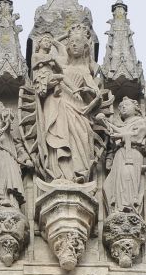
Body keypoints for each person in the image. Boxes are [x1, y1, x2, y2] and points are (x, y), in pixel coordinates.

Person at [34, 24, 101, 183]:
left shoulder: (85, 70)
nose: (74, 45)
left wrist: (89, 97)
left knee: (81, 135)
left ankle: (77, 174)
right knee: (57, 136)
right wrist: (59, 39)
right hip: (56, 103)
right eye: (71, 43)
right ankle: (57, 174)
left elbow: (97, 96)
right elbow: (48, 50)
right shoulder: (60, 63)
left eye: (78, 42)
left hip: (77, 108)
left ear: (86, 47)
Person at [99, 96, 146, 214]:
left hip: (131, 154)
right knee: (110, 184)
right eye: (121, 106)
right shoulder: (121, 125)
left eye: (126, 105)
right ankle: (117, 207)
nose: (123, 108)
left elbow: (137, 136)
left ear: (136, 108)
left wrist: (119, 135)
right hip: (119, 154)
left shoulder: (140, 122)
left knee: (127, 177)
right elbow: (115, 140)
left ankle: (128, 206)